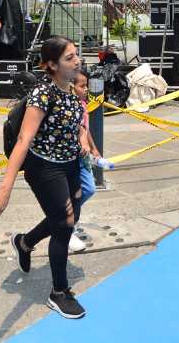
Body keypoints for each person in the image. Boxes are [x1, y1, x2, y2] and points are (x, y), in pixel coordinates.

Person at [0, 37, 88, 319]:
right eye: (69, 58)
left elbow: (76, 122)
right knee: (64, 225)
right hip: (45, 169)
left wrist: (83, 141)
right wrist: (5, 189)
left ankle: (24, 242)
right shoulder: (43, 93)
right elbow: (24, 139)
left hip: (70, 165)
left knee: (70, 216)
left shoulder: (73, 88)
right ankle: (58, 292)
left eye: (76, 55)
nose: (77, 60)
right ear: (52, 65)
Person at [69, 69, 111, 252]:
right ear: (71, 87)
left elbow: (85, 129)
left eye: (86, 85)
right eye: (82, 86)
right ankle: (67, 226)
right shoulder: (70, 106)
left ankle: (68, 220)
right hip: (73, 157)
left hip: (84, 157)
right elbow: (77, 129)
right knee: (82, 191)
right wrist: (83, 143)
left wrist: (94, 149)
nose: (86, 89)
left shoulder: (83, 105)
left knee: (86, 190)